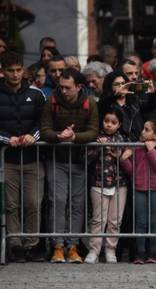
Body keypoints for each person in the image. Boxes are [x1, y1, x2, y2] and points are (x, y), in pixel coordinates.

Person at [40, 68, 99, 264]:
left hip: (80, 160)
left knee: (77, 204)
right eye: (61, 87)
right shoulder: (52, 101)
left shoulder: (89, 103)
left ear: (79, 87)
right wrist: (58, 136)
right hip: (56, 159)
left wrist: (74, 138)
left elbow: (93, 132)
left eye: (68, 88)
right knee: (57, 201)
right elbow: (44, 130)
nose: (63, 91)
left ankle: (73, 246)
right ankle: (57, 246)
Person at [0, 52, 46, 262]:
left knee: (33, 203)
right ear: (3, 71)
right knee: (11, 205)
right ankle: (15, 244)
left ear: (23, 70)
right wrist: (6, 139)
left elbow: (44, 123)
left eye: (18, 70)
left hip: (32, 157)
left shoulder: (36, 94)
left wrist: (32, 136)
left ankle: (32, 245)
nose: (15, 74)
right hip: (7, 159)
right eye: (11, 70)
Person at [84, 109, 132, 264]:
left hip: (119, 184)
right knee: (98, 220)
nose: (109, 125)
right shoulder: (95, 138)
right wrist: (98, 147)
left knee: (115, 221)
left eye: (113, 122)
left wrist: (121, 152)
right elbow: (86, 158)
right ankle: (94, 250)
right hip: (99, 183)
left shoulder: (123, 139)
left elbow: (126, 159)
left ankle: (111, 250)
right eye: (106, 121)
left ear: (119, 125)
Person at [120, 119, 156, 264]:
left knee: (154, 221)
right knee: (140, 221)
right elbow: (132, 171)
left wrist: (151, 150)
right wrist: (123, 159)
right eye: (143, 128)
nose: (142, 132)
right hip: (139, 187)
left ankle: (153, 252)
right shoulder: (137, 147)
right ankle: (140, 253)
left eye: (147, 130)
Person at [98, 71, 156, 142]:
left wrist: (152, 94)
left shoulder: (134, 101)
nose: (121, 87)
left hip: (135, 143)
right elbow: (100, 107)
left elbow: (150, 107)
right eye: (117, 84)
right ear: (110, 87)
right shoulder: (107, 103)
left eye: (123, 83)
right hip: (116, 143)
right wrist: (115, 95)